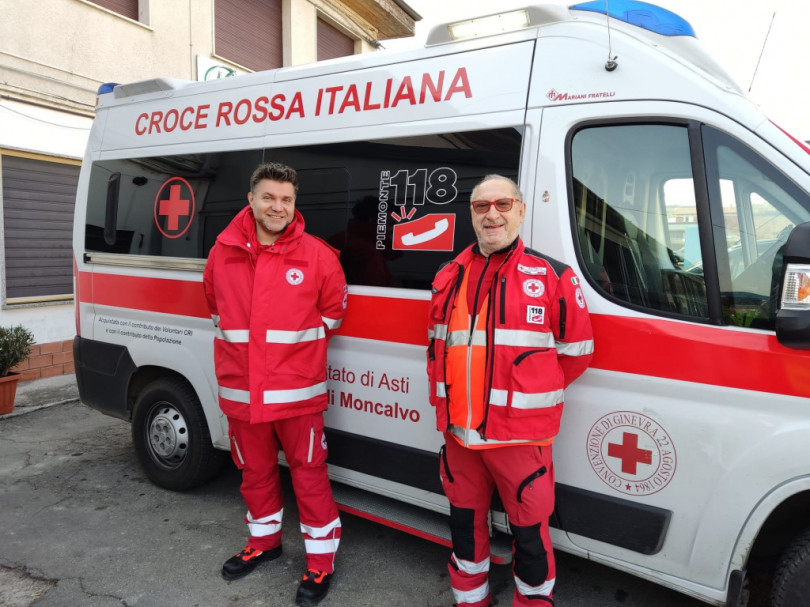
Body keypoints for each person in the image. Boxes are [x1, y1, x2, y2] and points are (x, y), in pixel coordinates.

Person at [426, 174, 594, 607]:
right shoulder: (448, 275)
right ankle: (470, 599)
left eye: (502, 204)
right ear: (471, 215)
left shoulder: (552, 276)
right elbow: (438, 347)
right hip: (460, 434)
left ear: (520, 209)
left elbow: (575, 356)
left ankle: (533, 602)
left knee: (530, 533)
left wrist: (523, 397)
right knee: (464, 525)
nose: (492, 214)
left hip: (520, 437)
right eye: (482, 207)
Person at [203, 162, 348, 606]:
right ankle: (264, 543)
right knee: (254, 473)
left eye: (286, 199)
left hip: (297, 393)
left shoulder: (319, 256)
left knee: (309, 477)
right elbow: (215, 309)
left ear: (294, 203)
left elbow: (332, 315)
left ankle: (320, 563)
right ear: (251, 199)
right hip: (242, 392)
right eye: (268, 197)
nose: (277, 207)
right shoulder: (221, 252)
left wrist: (289, 360)